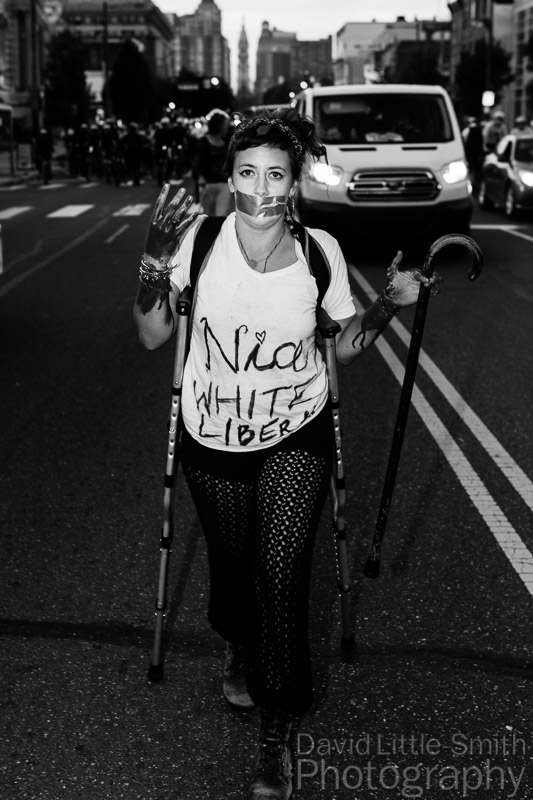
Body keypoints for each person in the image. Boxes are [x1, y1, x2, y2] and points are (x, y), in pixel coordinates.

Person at [133, 109, 441, 800]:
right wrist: (153, 260)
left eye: (276, 174)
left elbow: (343, 347)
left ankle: (276, 723)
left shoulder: (319, 252)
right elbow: (152, 335)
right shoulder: (197, 243)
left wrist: (387, 306)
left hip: (295, 434)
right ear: (230, 177)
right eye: (247, 172)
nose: (261, 188)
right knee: (233, 573)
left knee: (280, 573)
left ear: (294, 183)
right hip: (212, 438)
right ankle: (237, 642)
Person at [192, 108, 233, 215]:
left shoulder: (226, 142)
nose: (227, 127)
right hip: (208, 184)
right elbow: (196, 162)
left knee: (221, 215)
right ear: (219, 125)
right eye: (225, 125)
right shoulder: (203, 142)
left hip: (224, 183)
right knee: (207, 216)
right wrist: (199, 177)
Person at [462, 116, 484, 196]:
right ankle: (475, 185)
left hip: (469, 154)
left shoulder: (466, 131)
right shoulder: (480, 131)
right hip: (477, 154)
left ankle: (470, 185)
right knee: (476, 170)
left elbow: (464, 142)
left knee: (470, 169)